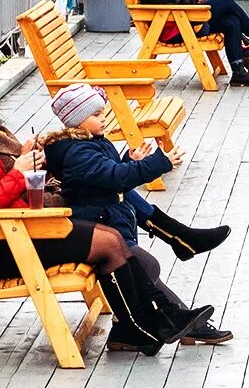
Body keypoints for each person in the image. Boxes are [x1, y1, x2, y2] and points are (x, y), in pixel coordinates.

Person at [0, 73, 213, 352]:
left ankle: (142, 322)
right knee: (110, 242)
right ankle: (145, 320)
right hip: (0, 248)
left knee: (113, 237)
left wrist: (24, 161)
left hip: (18, 231)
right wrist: (18, 172)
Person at [40, 83, 233, 351]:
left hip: (106, 219)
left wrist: (129, 162)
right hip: (100, 224)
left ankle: (180, 248)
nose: (104, 117)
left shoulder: (89, 143)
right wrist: (157, 163)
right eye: (96, 114)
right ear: (77, 122)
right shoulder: (79, 152)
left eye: (102, 111)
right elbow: (111, 177)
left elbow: (108, 173)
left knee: (143, 261)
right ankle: (179, 314)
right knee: (145, 264)